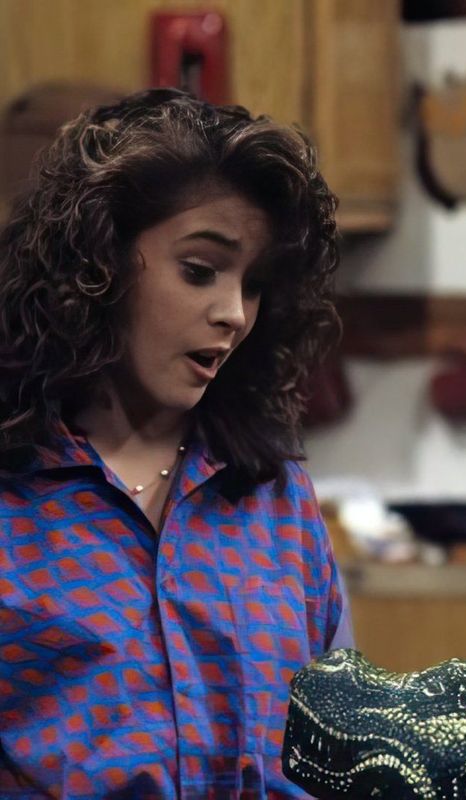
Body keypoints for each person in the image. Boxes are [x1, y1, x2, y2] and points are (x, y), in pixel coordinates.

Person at [0, 87, 354, 799]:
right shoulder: (16, 500)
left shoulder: (274, 495)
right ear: (97, 264)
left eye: (253, 285)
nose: (234, 314)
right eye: (199, 270)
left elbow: (340, 752)